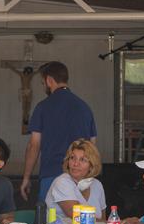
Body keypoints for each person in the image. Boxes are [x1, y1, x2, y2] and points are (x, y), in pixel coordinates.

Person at [20, 61, 97, 202]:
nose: (44, 87)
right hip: (80, 178)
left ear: (49, 80)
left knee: (50, 220)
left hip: (52, 174)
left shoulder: (43, 107)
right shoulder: (85, 107)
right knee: (80, 220)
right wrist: (90, 177)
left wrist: (26, 177)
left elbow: (34, 145)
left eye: (43, 83)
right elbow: (92, 146)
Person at [45, 139, 106, 224]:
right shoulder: (62, 182)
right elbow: (79, 217)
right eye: (72, 158)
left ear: (92, 165)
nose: (75, 164)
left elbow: (103, 220)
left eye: (82, 160)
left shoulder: (97, 185)